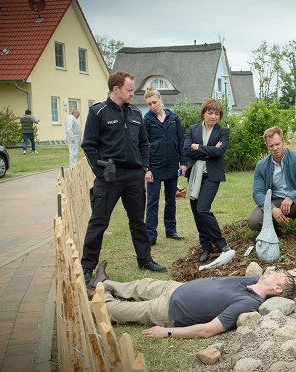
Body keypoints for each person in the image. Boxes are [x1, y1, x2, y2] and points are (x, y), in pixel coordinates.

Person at [81, 71, 167, 285]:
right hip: (109, 177)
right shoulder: (98, 112)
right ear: (116, 89)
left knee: (138, 221)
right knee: (99, 223)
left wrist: (144, 166)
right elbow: (88, 145)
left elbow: (144, 144)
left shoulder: (136, 113)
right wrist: (100, 172)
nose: (132, 94)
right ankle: (87, 267)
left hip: (134, 177)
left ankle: (145, 259)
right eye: (129, 90)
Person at [86, 261, 296, 339]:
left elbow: (208, 330)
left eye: (280, 275)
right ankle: (106, 283)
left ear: (277, 289)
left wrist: (167, 332)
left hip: (170, 309)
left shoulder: (249, 304)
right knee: (142, 284)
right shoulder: (253, 280)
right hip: (177, 288)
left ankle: (101, 295)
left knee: (116, 311)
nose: (275, 271)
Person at [247, 127, 296, 242]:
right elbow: (257, 193)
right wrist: (272, 209)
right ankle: (279, 230)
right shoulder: (261, 166)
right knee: (254, 221)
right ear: (267, 146)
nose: (275, 148)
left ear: (283, 141)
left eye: (277, 144)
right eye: (271, 146)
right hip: (276, 201)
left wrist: (291, 196)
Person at [183, 98, 230, 262]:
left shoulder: (223, 131)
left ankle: (221, 244)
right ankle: (206, 246)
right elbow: (186, 150)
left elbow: (220, 151)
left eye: (217, 113)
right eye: (210, 113)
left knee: (203, 209)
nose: (213, 116)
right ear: (203, 113)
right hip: (195, 175)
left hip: (212, 175)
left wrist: (198, 147)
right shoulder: (193, 129)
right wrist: (209, 151)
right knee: (197, 213)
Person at [143, 87, 186, 246]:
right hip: (154, 167)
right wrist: (146, 169)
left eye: (154, 102)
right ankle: (151, 235)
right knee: (152, 202)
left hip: (172, 166)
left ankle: (171, 230)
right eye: (149, 104)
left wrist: (183, 163)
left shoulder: (174, 118)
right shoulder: (147, 120)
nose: (153, 106)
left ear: (161, 100)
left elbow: (181, 141)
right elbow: (143, 145)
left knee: (171, 200)